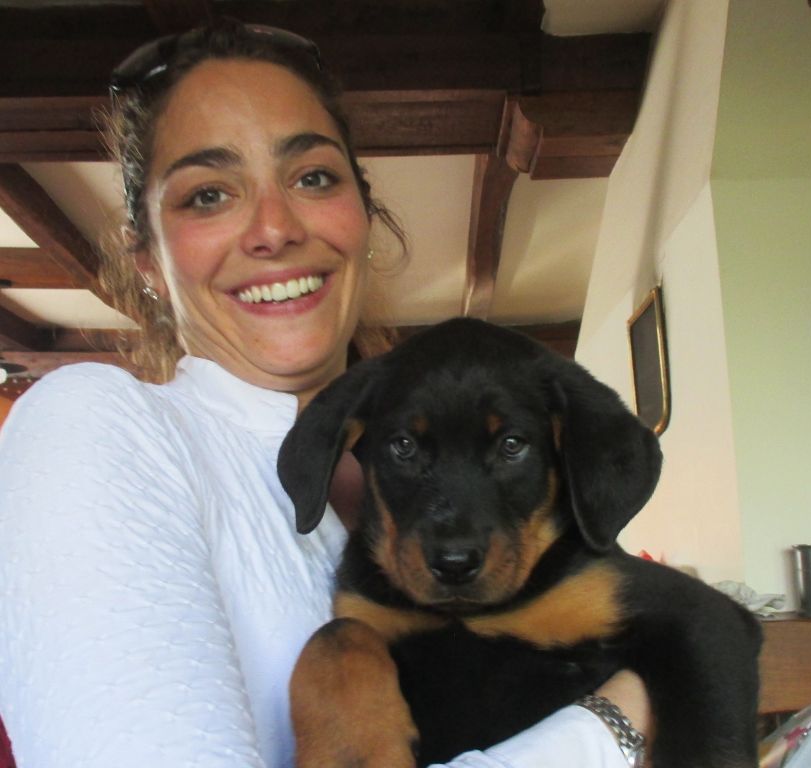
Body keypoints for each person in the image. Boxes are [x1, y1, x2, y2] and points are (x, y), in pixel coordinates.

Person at [0, 20, 649, 768]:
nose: (274, 228)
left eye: (312, 178)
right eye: (208, 195)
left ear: (363, 216)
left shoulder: (455, 460)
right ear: (147, 258)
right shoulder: (95, 428)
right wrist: (621, 722)